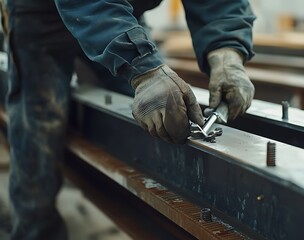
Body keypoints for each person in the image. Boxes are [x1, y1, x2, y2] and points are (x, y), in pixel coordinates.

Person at [2, 0, 255, 239]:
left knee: (161, 113)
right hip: (40, 16)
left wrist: (227, 50)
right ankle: (35, 230)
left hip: (119, 12)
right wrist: (143, 69)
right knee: (37, 135)